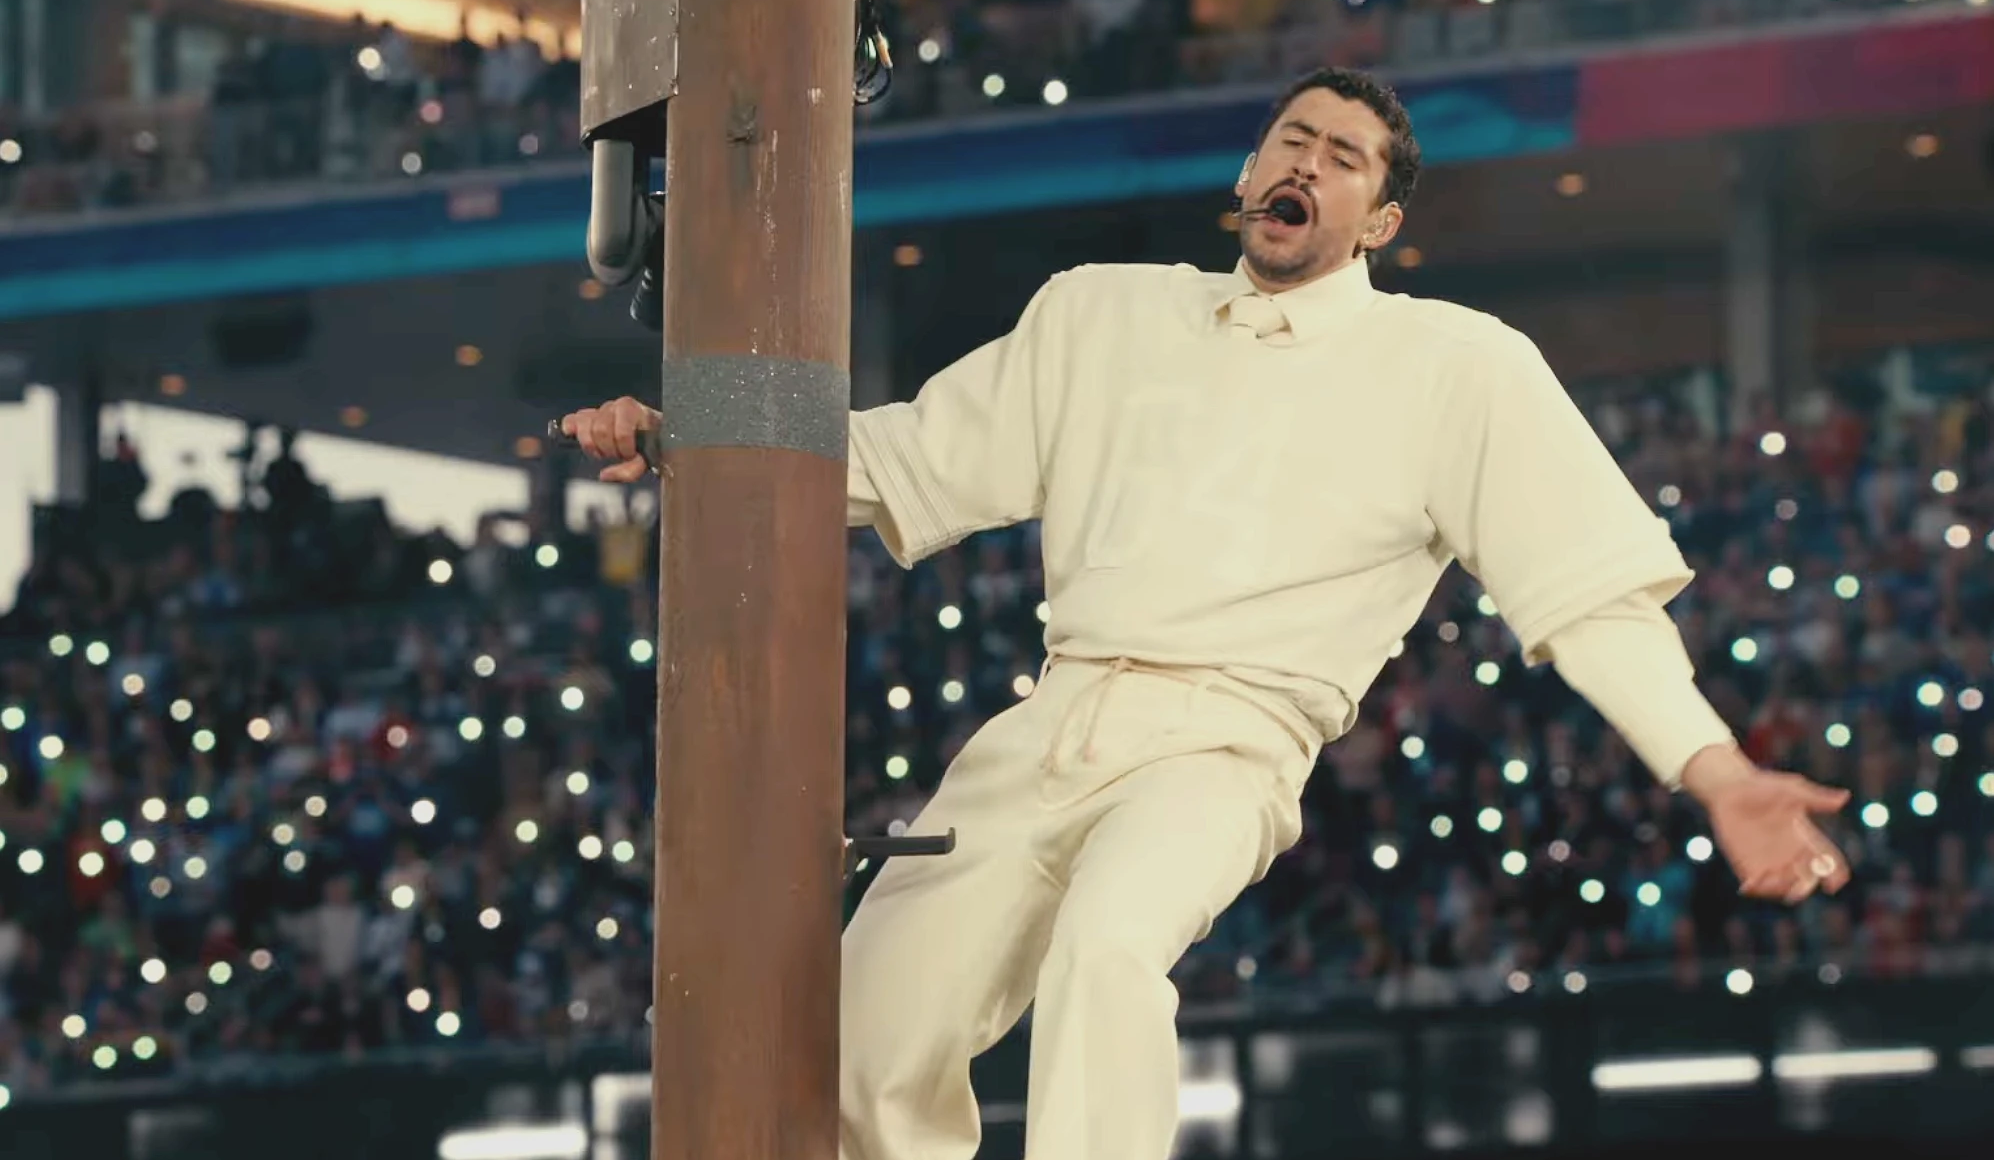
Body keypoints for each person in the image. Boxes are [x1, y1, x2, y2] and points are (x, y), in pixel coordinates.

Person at [560, 66, 1851, 1160]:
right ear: (1249, 170)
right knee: (864, 1037)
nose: (1306, 162)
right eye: (1291, 137)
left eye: (1342, 157)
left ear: (1380, 220)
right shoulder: (1099, 310)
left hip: (1229, 743)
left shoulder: (1458, 366)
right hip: (1051, 720)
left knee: (1109, 948)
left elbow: (1589, 596)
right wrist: (688, 436)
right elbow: (898, 457)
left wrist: (1717, 770)